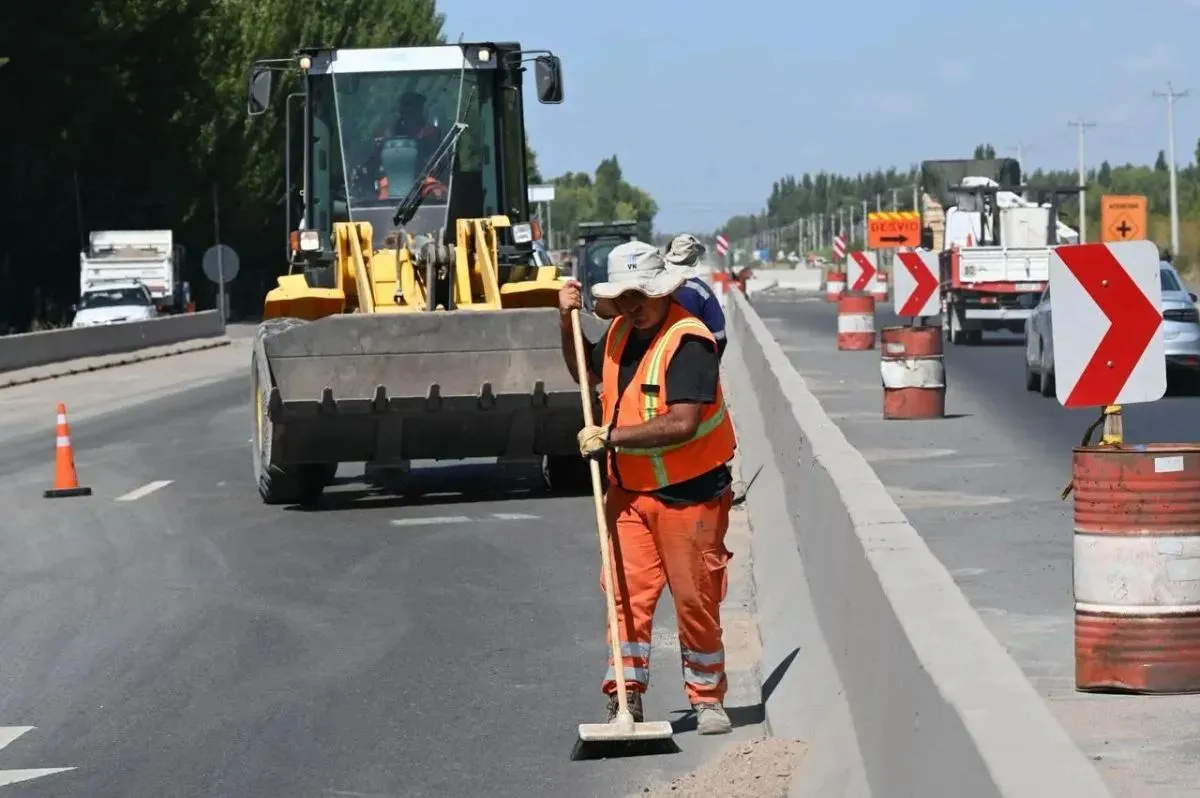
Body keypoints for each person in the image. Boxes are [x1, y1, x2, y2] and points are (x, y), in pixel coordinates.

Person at [558, 239, 737, 736]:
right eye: (624, 298)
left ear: (661, 291)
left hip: (690, 495)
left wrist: (608, 437)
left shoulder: (689, 341)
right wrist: (563, 320)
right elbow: (585, 373)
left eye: (640, 296)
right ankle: (625, 699)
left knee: (694, 598)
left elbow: (681, 424)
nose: (633, 307)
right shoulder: (618, 332)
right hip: (630, 493)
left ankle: (707, 698)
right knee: (625, 597)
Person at [662, 233, 728, 359]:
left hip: (660, 360)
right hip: (695, 361)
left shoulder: (656, 289)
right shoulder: (701, 291)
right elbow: (719, 335)